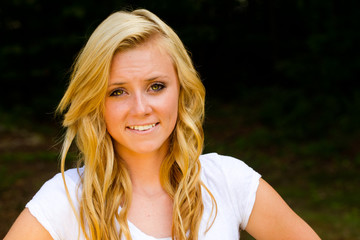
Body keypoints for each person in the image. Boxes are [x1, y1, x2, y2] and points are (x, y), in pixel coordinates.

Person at [4, 9, 320, 240]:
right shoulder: (67, 200)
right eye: (118, 92)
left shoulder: (228, 181)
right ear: (95, 103)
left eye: (156, 86)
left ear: (181, 89)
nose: (141, 108)